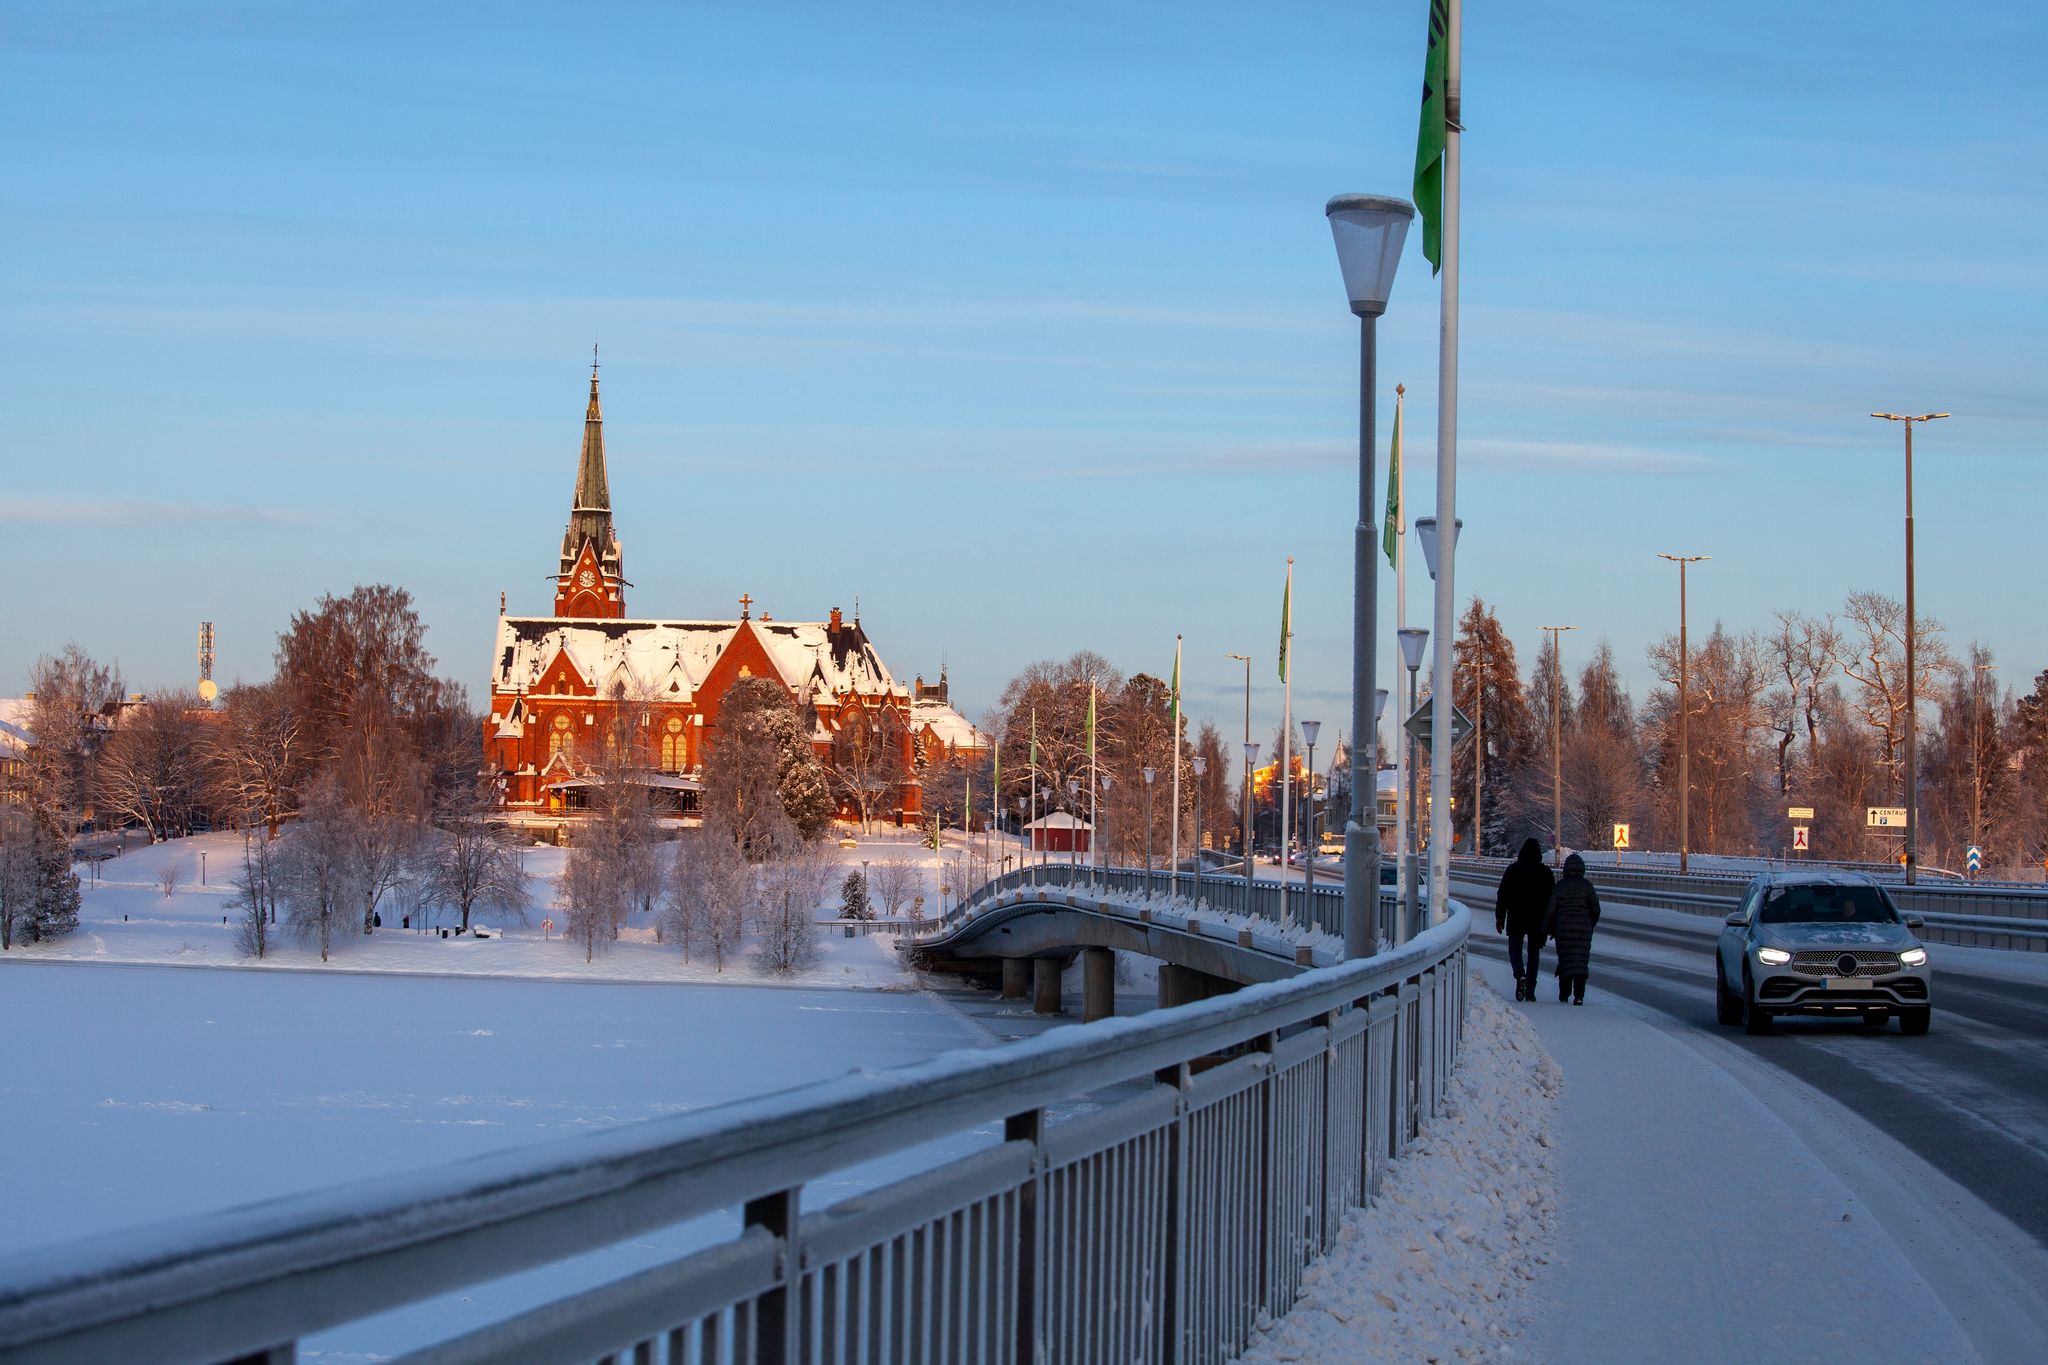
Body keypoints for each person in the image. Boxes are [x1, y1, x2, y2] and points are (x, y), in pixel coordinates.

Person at [1494, 837, 1554, 1001]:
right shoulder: (1545, 873)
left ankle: (1519, 974)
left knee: (1514, 949)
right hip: (1537, 919)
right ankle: (1530, 989)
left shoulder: (1513, 870)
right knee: (1534, 953)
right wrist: (1551, 924)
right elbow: (1551, 900)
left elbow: (1503, 895)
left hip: (1516, 917)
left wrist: (1500, 917)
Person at [1543, 852, 1602, 1005]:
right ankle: (1579, 996)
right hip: (1583, 930)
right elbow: (1596, 909)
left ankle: (1564, 994)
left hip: (1562, 929)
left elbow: (1551, 910)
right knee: (1580, 962)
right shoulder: (1587, 886)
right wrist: (1590, 924)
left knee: (1565, 960)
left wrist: (1547, 928)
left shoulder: (1560, 886)